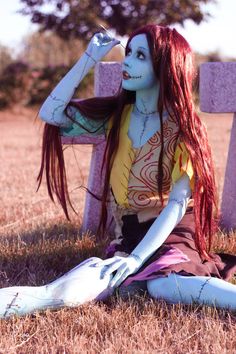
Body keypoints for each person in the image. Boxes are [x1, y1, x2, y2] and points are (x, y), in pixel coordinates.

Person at [1, 25, 236, 319]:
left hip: (172, 235)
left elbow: (177, 204)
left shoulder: (184, 129)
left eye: (141, 56)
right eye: (129, 53)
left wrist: (138, 258)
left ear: (166, 66)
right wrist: (89, 58)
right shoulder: (116, 117)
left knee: (163, 287)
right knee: (66, 293)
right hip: (128, 237)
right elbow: (51, 113)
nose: (127, 62)